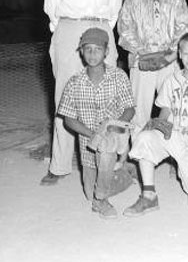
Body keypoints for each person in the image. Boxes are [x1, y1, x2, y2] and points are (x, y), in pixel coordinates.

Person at [41, 0, 122, 186]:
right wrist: (66, 31)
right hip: (68, 28)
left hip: (100, 28)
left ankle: (111, 159)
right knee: (65, 96)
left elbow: (114, 9)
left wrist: (100, 29)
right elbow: (51, 8)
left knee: (109, 92)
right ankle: (60, 165)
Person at [124, 33, 188, 217]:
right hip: (175, 134)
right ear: (179, 54)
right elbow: (165, 110)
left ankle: (184, 168)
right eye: (186, 53)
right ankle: (149, 195)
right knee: (145, 137)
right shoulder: (171, 80)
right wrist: (158, 125)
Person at [57, 28, 136, 218]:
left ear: (107, 51)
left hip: (114, 139)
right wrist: (93, 134)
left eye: (98, 49)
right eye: (88, 49)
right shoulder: (74, 82)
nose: (93, 54)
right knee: (88, 193)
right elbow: (68, 119)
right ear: (81, 52)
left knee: (99, 187)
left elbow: (130, 109)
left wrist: (112, 129)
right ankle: (123, 173)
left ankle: (102, 200)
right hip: (88, 147)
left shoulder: (118, 76)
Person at [117, 0, 188, 137]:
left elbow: (183, 26)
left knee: (173, 107)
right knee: (138, 110)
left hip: (168, 58)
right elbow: (125, 27)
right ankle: (138, 155)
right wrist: (141, 52)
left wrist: (172, 53)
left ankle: (174, 156)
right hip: (142, 58)